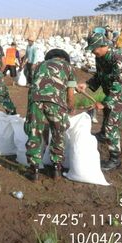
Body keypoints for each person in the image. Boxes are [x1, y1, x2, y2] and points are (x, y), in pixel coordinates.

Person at [77, 33, 122, 171]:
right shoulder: (100, 58)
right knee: (107, 115)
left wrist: (105, 102)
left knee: (111, 126)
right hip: (111, 93)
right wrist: (86, 84)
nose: (92, 52)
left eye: (94, 48)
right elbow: (99, 76)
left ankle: (115, 160)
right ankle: (103, 135)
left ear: (103, 46)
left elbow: (119, 84)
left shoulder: (117, 58)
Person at [24, 48, 76, 182]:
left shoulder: (40, 64)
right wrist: (71, 107)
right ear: (64, 58)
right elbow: (70, 92)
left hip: (35, 101)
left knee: (34, 132)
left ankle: (34, 169)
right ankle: (57, 169)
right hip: (56, 102)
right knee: (59, 132)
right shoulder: (69, 67)